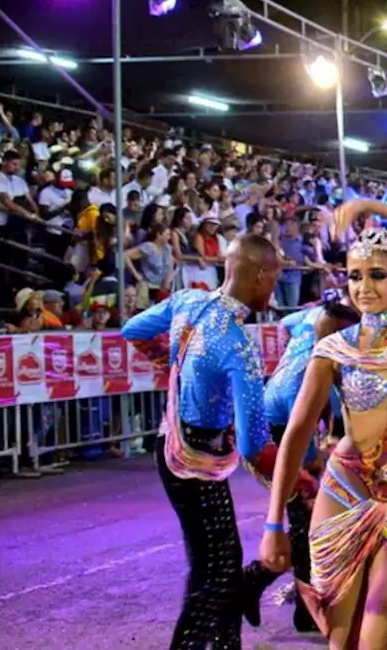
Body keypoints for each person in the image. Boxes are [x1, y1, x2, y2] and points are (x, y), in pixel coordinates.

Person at [258, 196, 387, 649]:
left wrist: (370, 206)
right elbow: (295, 436)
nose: (363, 287)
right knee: (342, 639)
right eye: (354, 276)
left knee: (378, 631)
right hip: (345, 490)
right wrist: (274, 525)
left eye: (377, 275)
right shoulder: (334, 347)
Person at [121, 234, 283, 650]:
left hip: (173, 444)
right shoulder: (237, 344)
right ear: (262, 276)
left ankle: (226, 642)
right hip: (197, 459)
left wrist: (168, 365)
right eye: (276, 277)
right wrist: (297, 484)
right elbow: (253, 445)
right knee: (215, 571)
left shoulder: (188, 301)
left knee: (214, 563)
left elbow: (132, 329)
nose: (275, 288)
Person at [243, 289, 359, 633]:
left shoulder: (308, 320)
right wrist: (316, 458)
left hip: (273, 419)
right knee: (308, 521)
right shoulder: (309, 373)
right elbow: (300, 434)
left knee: (308, 524)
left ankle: (302, 609)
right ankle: (255, 582)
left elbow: (285, 322)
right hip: (275, 436)